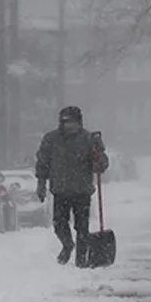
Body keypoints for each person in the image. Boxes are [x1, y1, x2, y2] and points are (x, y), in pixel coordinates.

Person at [35, 106, 108, 266]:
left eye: (72, 123)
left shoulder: (88, 139)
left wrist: (99, 154)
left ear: (79, 123)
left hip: (82, 191)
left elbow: (100, 166)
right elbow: (42, 163)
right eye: (65, 122)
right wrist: (41, 183)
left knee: (82, 228)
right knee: (59, 224)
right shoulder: (51, 139)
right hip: (60, 191)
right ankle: (67, 245)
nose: (69, 126)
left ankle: (81, 259)